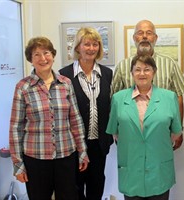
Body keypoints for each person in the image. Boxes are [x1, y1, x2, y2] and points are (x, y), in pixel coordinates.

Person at [9, 36, 89, 200]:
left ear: (53, 55)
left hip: (66, 155)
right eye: (36, 54)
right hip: (36, 158)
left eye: (46, 53)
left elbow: (75, 120)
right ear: (30, 59)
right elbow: (16, 128)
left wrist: (82, 151)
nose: (42, 58)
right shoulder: (23, 87)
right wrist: (18, 164)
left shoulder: (65, 83)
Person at [106, 54, 182, 200]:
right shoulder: (118, 98)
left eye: (147, 69)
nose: (142, 74)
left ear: (154, 72)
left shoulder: (169, 97)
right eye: (137, 69)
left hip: (158, 171)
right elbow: (115, 133)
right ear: (131, 73)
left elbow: (175, 132)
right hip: (131, 171)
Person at [112, 19, 184, 150]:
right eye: (140, 33)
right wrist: (116, 130)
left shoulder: (170, 64)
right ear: (134, 37)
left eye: (149, 33)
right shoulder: (123, 66)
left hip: (163, 132)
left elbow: (179, 97)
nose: (145, 36)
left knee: (160, 167)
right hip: (131, 133)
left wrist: (178, 129)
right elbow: (114, 100)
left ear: (155, 38)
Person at [59, 27, 113, 200]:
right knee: (74, 187)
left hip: (99, 142)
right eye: (86, 44)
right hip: (74, 144)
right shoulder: (64, 75)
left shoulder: (107, 73)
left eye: (95, 44)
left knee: (97, 185)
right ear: (77, 47)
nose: (91, 48)